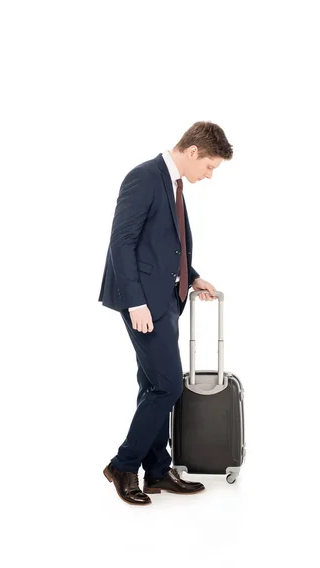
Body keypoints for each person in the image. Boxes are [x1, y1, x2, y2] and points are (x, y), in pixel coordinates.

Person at [98, 121, 233, 505]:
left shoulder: (172, 183)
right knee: (168, 386)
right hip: (143, 304)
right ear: (192, 152)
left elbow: (162, 246)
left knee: (154, 385)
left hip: (167, 300)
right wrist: (135, 302)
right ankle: (123, 465)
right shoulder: (144, 177)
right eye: (209, 166)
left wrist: (192, 278)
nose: (208, 175)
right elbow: (121, 243)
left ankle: (157, 470)